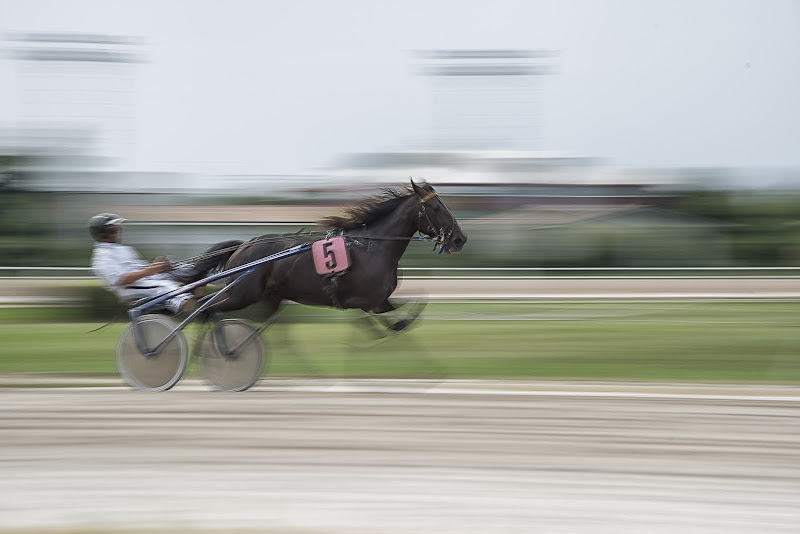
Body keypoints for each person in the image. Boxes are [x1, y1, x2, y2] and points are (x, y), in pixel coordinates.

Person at [89, 213, 198, 313]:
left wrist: (156, 266)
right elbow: (121, 279)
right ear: (101, 234)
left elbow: (141, 270)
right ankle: (186, 303)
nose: (118, 232)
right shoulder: (102, 257)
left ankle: (210, 278)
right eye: (113, 230)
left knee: (179, 268)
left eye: (117, 229)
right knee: (164, 286)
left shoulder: (123, 249)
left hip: (145, 280)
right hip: (130, 288)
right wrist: (150, 270)